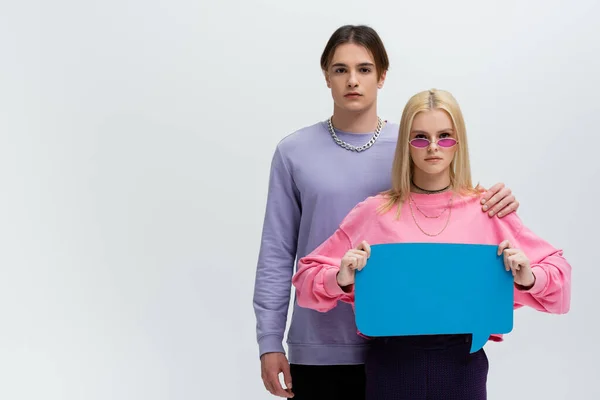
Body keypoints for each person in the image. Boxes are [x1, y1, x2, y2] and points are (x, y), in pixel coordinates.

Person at [253, 25, 521, 400]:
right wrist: (269, 340)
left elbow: (454, 203)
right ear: (326, 76)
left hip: (404, 344)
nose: (352, 80)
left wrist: (497, 202)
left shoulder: (415, 143)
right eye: (340, 69)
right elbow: (277, 253)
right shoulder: (294, 152)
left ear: (382, 76)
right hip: (321, 346)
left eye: (364, 69)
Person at [291, 88, 572, 400]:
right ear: (406, 144)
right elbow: (305, 281)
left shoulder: (488, 209)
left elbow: (561, 281)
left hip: (462, 364)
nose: (433, 147)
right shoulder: (373, 212)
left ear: (459, 142)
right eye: (420, 137)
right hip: (391, 363)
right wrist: (339, 277)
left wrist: (529, 276)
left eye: (446, 136)